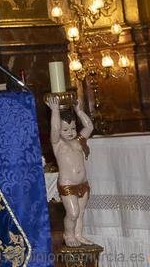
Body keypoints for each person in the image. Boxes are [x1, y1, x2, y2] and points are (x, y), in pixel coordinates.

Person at [47, 96, 95, 247]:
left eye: (73, 128)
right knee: (73, 213)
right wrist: (55, 111)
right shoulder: (58, 144)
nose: (70, 132)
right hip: (68, 185)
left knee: (80, 213)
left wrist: (79, 111)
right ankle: (68, 234)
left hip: (83, 184)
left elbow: (89, 127)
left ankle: (78, 235)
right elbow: (55, 130)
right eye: (65, 129)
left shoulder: (79, 141)